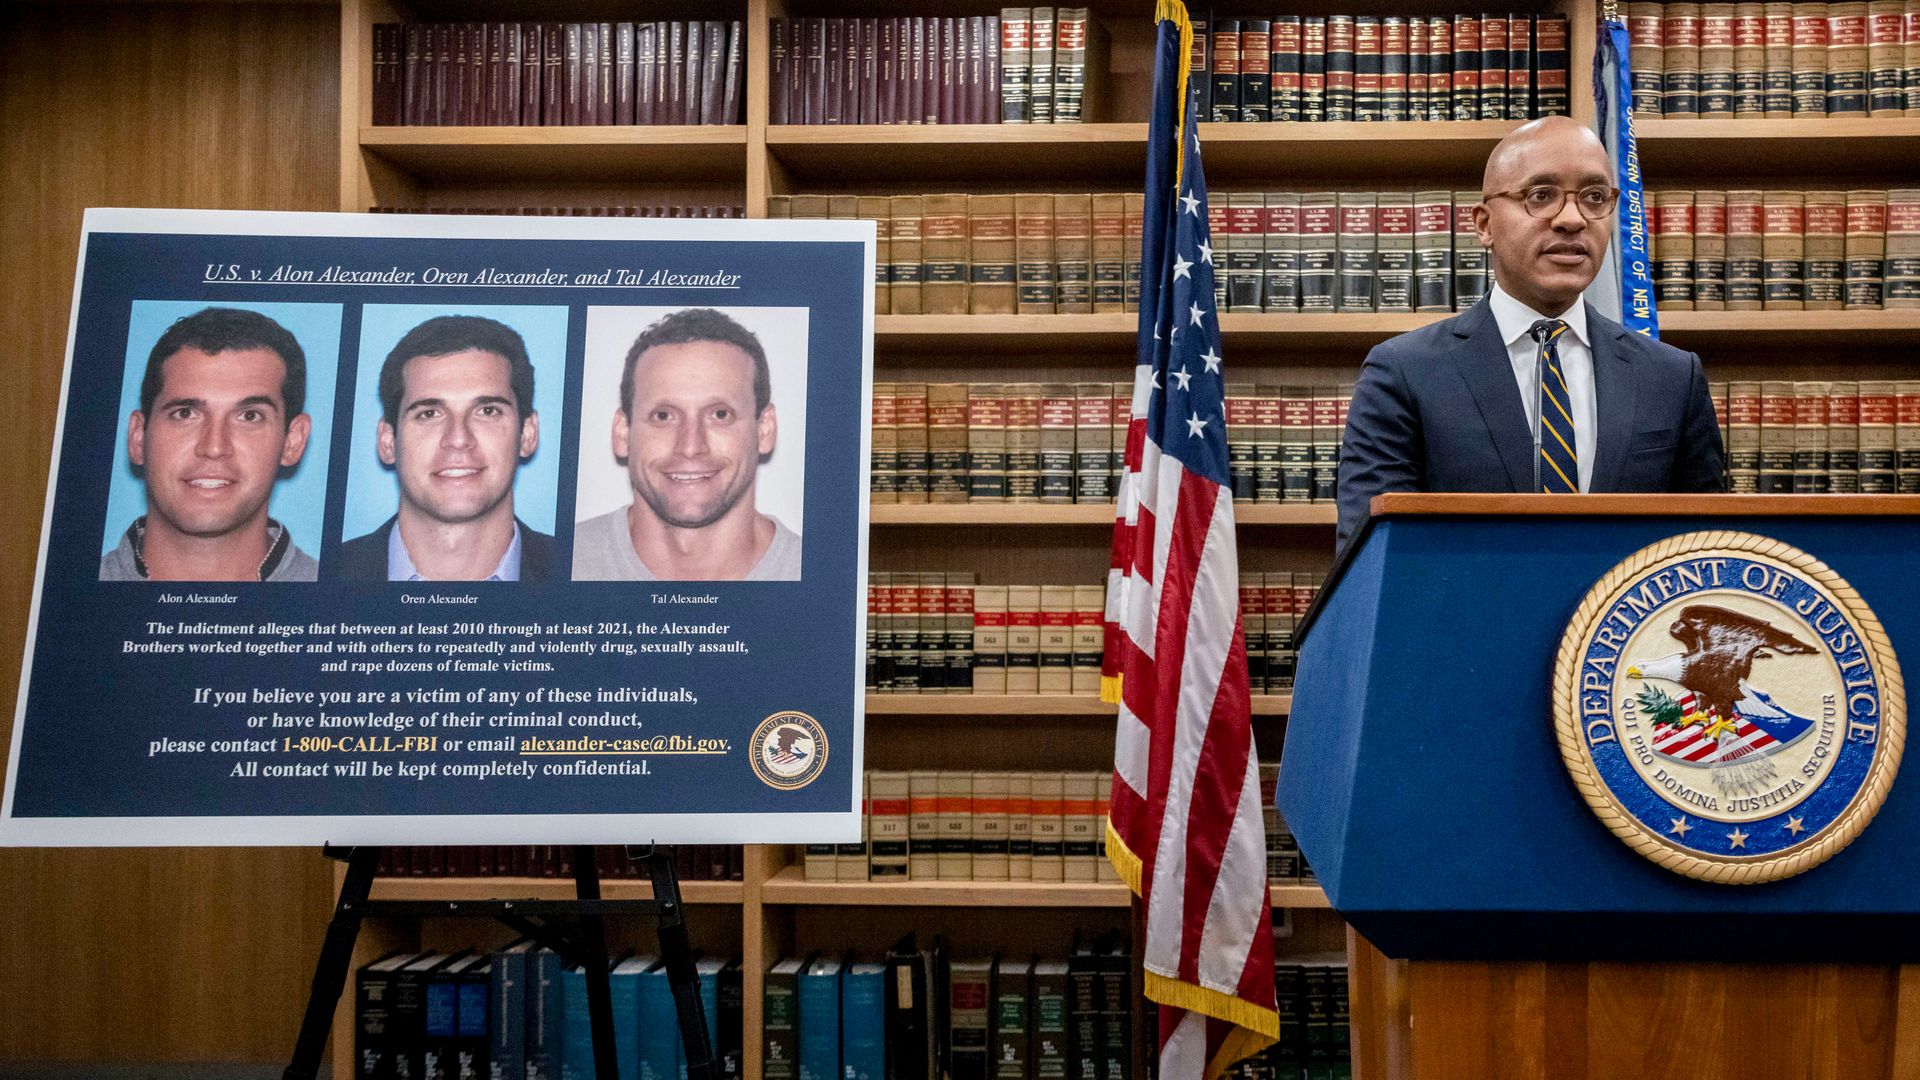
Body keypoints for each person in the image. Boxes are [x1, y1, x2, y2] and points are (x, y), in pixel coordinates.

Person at [1335, 115, 1726, 552]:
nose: (1572, 219)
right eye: (1541, 196)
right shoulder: (1404, 373)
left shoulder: (1672, 377)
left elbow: (1705, 553)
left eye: (1595, 197)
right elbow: (1372, 563)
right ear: (1484, 224)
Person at [574, 308, 802, 581]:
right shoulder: (561, 565)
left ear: (765, 430)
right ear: (623, 433)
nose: (691, 446)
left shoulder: (822, 579)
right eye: (663, 416)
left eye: (720, 414)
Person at [102, 306, 318, 582]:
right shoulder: (65, 595)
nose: (214, 447)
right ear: (138, 437)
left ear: (293, 441)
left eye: (249, 416)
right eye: (185, 414)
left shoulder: (338, 605)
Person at [337, 315, 558, 581]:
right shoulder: (326, 575)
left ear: (528, 434)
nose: (458, 438)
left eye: (487, 411)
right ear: (388, 441)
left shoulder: (574, 569)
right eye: (429, 413)